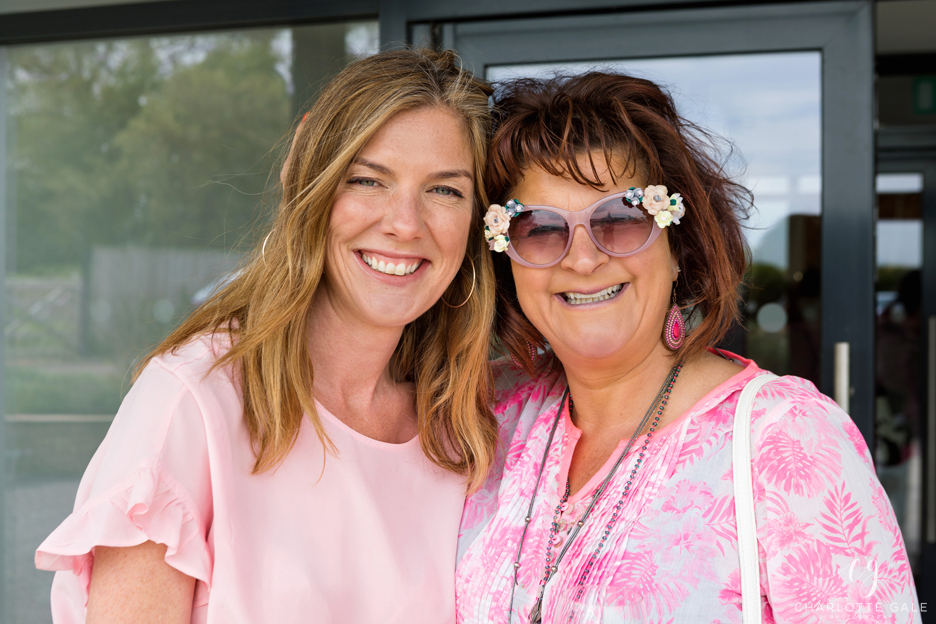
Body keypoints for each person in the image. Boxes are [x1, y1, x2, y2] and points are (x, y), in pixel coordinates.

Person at [36, 48, 499, 624]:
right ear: (307, 181)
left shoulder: (465, 433)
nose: (405, 223)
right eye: (366, 179)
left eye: (445, 190)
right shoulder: (192, 405)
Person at [456, 73, 922, 623]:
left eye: (621, 219)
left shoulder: (787, 440)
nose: (582, 259)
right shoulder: (489, 417)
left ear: (680, 245)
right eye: (539, 228)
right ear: (508, 261)